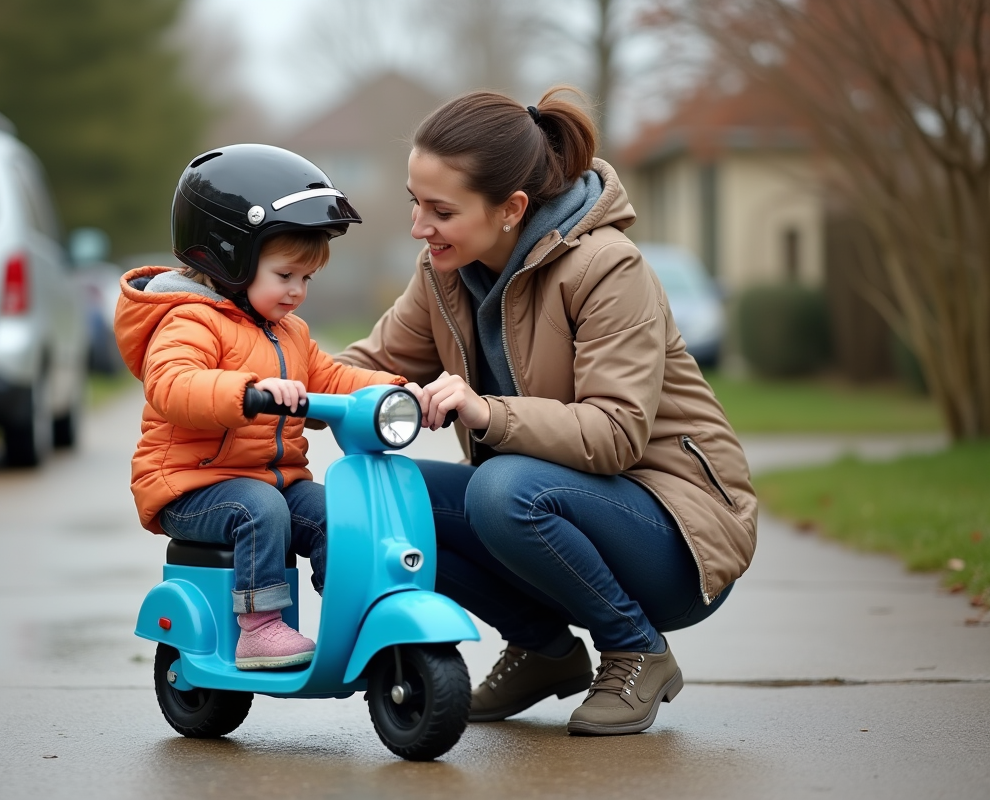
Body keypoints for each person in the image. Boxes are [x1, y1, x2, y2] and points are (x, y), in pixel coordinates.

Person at [337, 88, 758, 734]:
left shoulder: (607, 269)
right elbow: (365, 364)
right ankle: (543, 649)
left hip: (676, 538)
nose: (420, 227)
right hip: (549, 511)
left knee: (503, 488)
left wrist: (486, 412)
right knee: (388, 494)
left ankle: (636, 648)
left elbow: (615, 435)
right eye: (414, 203)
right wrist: (264, 378)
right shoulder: (443, 273)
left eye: (441, 210)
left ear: (511, 209)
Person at [115, 144, 405, 670]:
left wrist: (397, 390)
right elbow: (172, 384)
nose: (297, 292)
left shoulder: (288, 331)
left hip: (274, 481)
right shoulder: (188, 321)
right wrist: (246, 392)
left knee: (337, 512)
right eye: (285, 275)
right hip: (192, 484)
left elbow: (332, 376)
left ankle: (359, 616)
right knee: (259, 508)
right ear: (230, 258)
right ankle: (261, 626)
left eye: (306, 279)